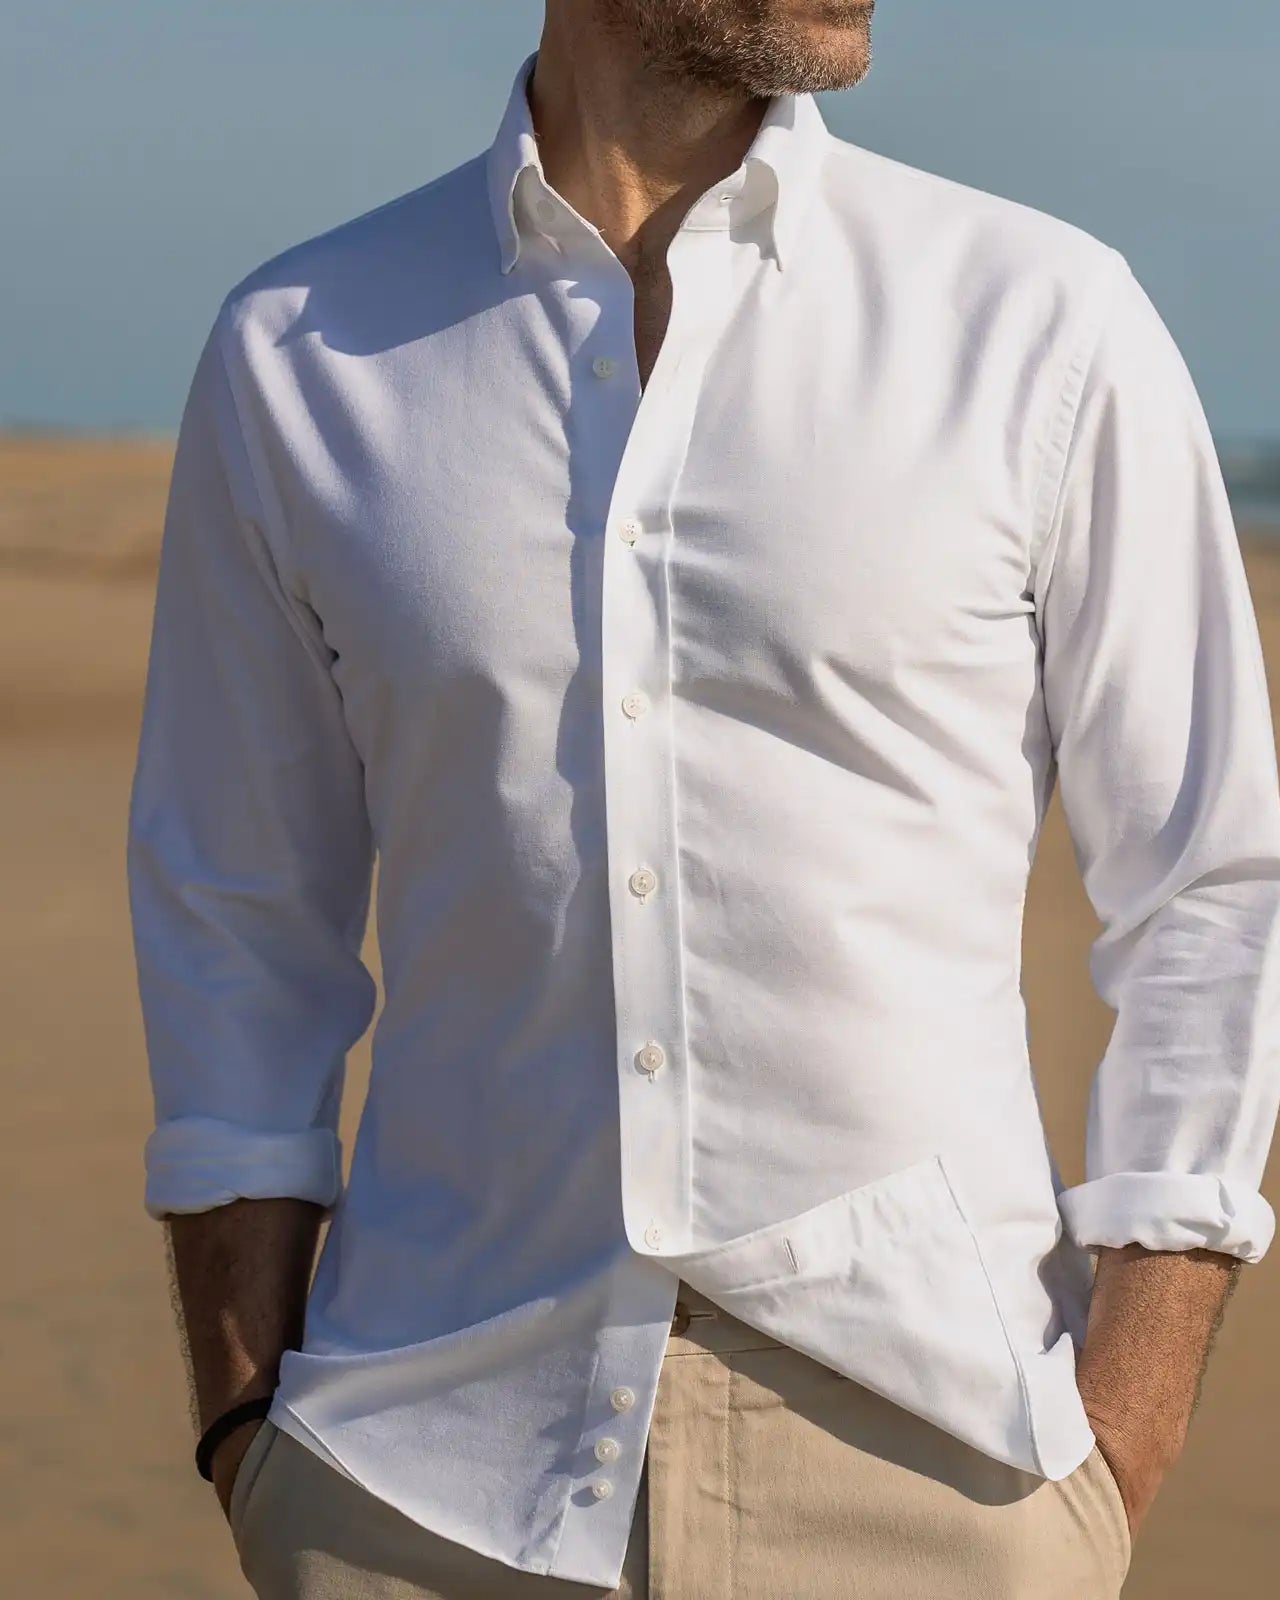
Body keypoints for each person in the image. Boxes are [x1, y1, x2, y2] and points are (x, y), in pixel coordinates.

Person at [125, 3, 1280, 1596]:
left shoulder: (1040, 322)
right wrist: (248, 1428)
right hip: (413, 1466)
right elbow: (237, 916)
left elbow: (1213, 889)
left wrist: (1117, 1439)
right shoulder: (302, 352)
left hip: (936, 1463)